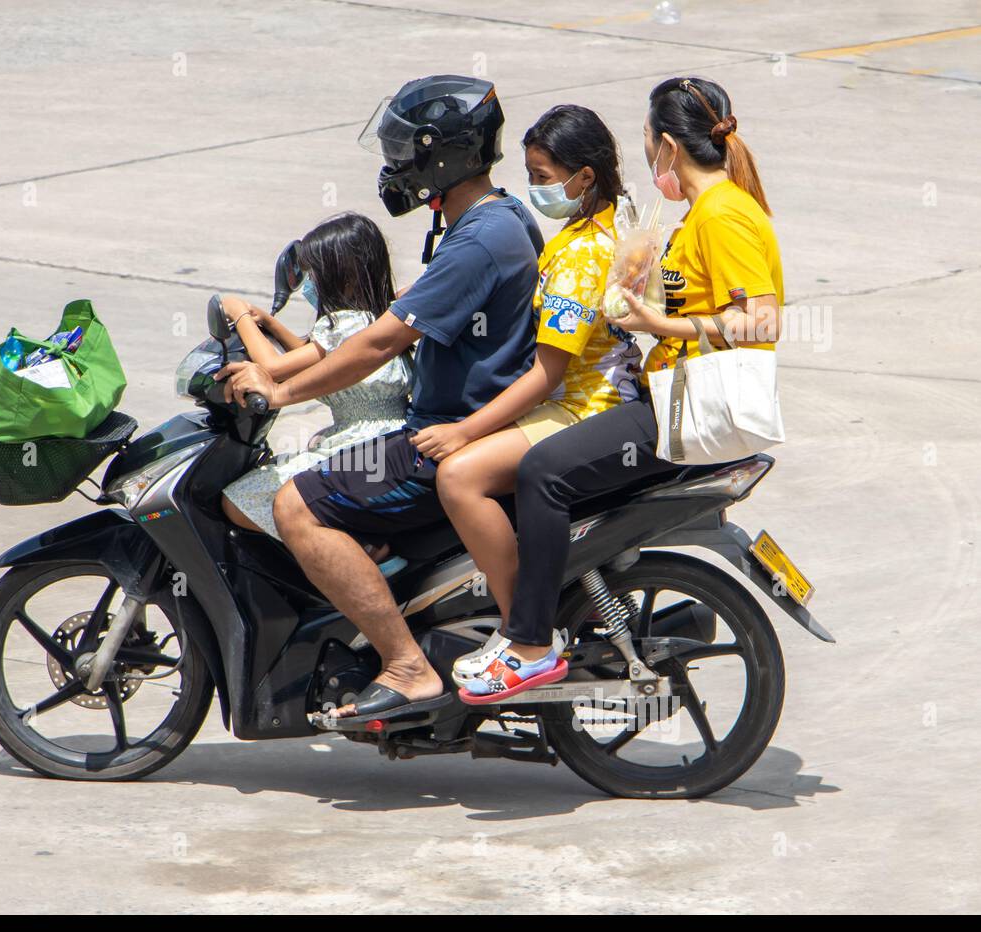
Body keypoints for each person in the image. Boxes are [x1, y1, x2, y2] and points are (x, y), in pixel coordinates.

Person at [220, 75, 543, 721]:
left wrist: (279, 388)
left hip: (446, 435)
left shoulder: (479, 239)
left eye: (404, 154)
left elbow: (376, 345)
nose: (396, 169)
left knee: (297, 504)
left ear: (441, 156)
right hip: (458, 424)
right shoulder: (498, 220)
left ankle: (406, 665)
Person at [465, 76, 783, 701]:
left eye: (643, 135)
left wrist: (657, 323)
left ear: (666, 144)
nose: (640, 148)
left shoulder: (723, 214)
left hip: (683, 404)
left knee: (543, 472)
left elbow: (762, 319)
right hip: (669, 391)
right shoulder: (700, 213)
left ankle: (529, 644)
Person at [404, 105, 641, 697]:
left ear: (584, 177)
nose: (534, 188)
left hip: (585, 407)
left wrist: (463, 433)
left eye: (543, 176)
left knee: (459, 477)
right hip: (578, 399)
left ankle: (523, 639)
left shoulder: (584, 253)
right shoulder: (592, 230)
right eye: (530, 174)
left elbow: (546, 372)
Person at [219, 213, 411, 539]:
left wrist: (238, 315)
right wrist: (269, 321)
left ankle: (352, 548)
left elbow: (274, 368)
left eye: (314, 274)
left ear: (343, 276)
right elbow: (313, 360)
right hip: (387, 438)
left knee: (238, 500)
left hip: (358, 444)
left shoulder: (344, 323)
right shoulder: (376, 318)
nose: (310, 282)